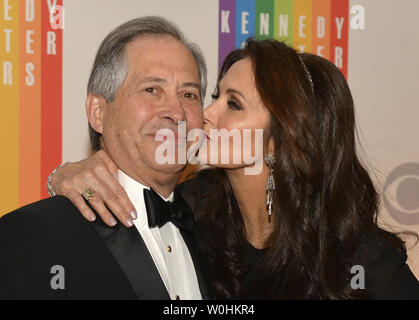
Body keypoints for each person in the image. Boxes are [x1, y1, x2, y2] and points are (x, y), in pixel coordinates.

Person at [49, 38, 419, 299]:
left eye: (234, 104)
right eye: (215, 96)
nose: (205, 115)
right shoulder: (192, 209)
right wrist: (66, 173)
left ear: (279, 139)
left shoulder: (361, 261)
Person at [0, 16, 210, 300]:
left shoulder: (213, 232)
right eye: (152, 90)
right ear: (98, 111)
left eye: (189, 94)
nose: (177, 112)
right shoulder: (38, 233)